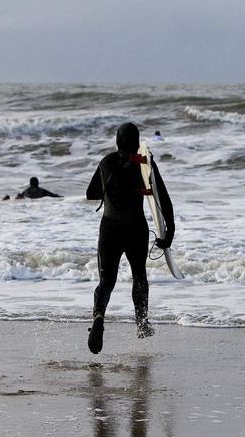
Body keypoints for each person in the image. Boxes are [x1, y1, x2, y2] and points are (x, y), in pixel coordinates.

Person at [85, 122, 175, 354]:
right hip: (136, 228)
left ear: (117, 141)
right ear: (137, 143)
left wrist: (109, 186)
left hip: (110, 229)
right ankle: (142, 322)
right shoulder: (144, 164)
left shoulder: (106, 162)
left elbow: (90, 193)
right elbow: (162, 198)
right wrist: (170, 231)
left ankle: (98, 316)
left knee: (107, 280)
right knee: (139, 277)